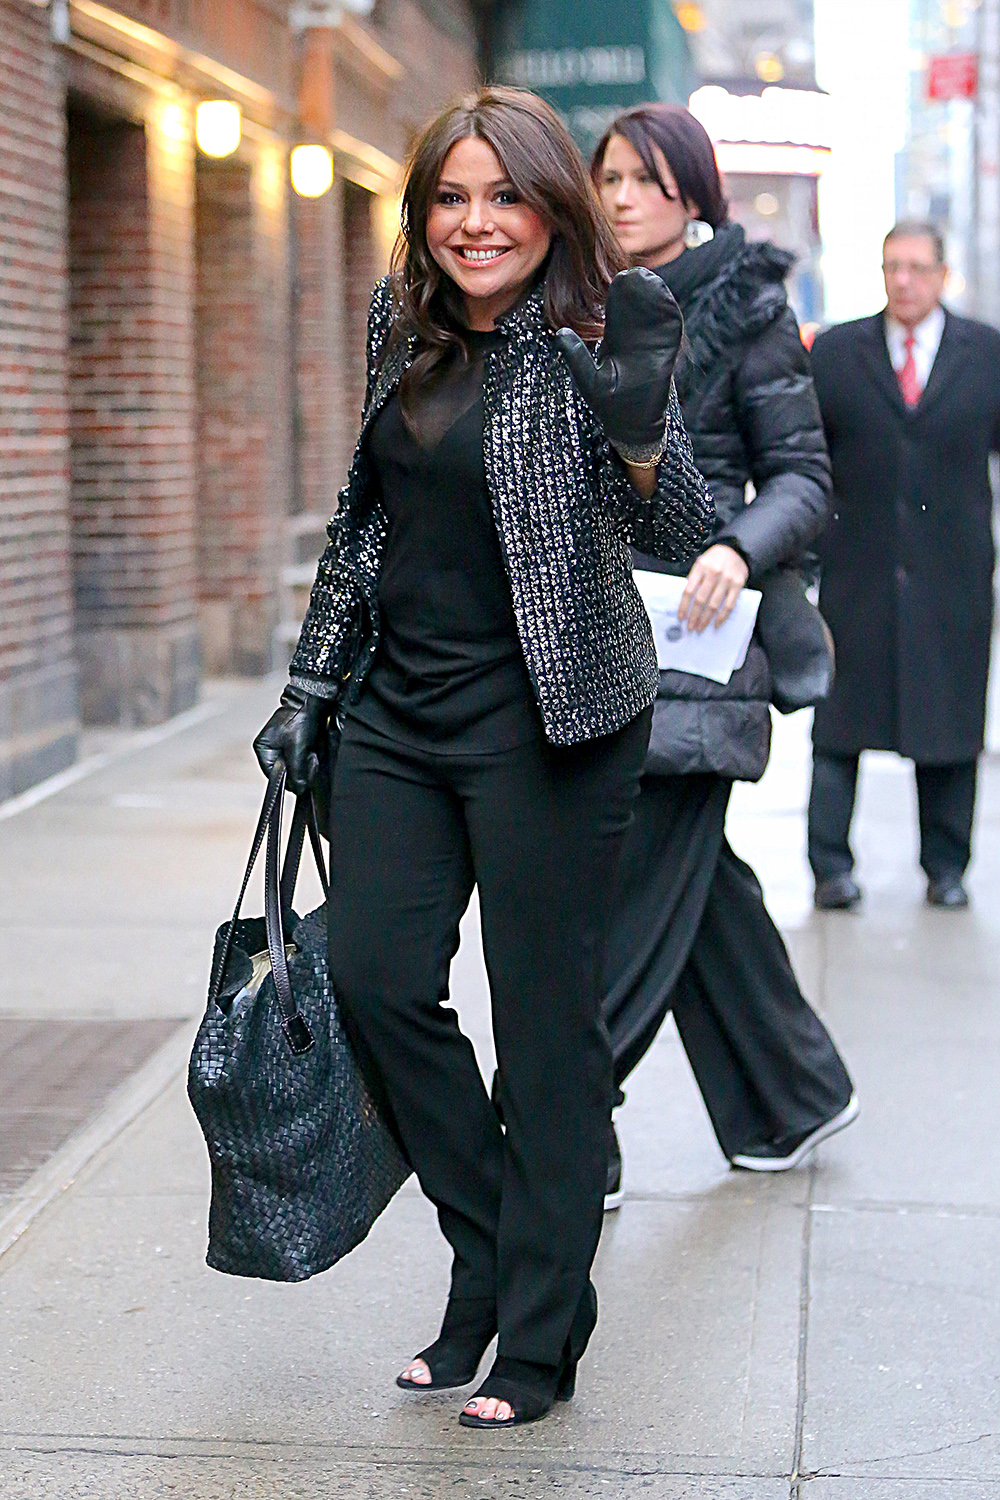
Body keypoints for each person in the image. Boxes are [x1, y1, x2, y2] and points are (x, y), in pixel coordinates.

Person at [253, 88, 713, 1428]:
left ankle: (532, 1333)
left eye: (502, 196)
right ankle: (496, 1251)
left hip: (556, 724)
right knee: (381, 982)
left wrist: (634, 428)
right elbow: (364, 523)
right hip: (399, 717)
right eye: (451, 198)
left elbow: (683, 524)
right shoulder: (405, 321)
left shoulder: (593, 330)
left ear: (548, 205)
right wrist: (307, 685)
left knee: (544, 1032)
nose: (475, 223)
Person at [590, 103, 857, 1193]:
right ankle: (790, 1099)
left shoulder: (747, 308)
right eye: (606, 177)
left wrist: (738, 550)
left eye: (642, 180)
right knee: (692, 884)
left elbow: (804, 478)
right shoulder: (570, 299)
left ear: (690, 192)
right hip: (585, 636)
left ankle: (557, 1123)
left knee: (628, 877)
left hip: (698, 640)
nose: (618, 197)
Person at [809, 221, 1000, 911]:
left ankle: (946, 867)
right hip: (856, 572)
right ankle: (830, 865)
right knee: (837, 722)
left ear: (943, 275)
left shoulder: (986, 353)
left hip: (953, 576)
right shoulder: (836, 354)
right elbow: (804, 461)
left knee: (949, 724)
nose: (904, 280)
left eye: (917, 267)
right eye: (892, 266)